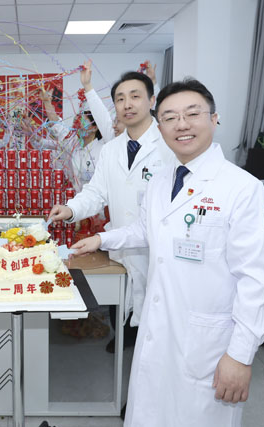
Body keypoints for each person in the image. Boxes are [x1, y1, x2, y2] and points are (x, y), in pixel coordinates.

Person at [72, 78, 264, 426]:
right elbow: (146, 229)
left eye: (192, 114)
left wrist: (241, 355)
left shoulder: (241, 188)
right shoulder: (162, 180)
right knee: (150, 412)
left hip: (207, 341)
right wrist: (101, 240)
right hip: (159, 326)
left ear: (214, 119)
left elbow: (256, 280)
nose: (181, 125)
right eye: (170, 117)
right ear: (160, 125)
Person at [47, 69, 173, 353]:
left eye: (135, 96)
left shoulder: (169, 146)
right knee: (127, 311)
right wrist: (70, 209)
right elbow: (96, 192)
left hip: (159, 252)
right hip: (122, 248)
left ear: (152, 100)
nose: (127, 104)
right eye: (120, 98)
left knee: (161, 328)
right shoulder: (112, 149)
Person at [40, 88, 106, 191]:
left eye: (83, 121)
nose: (78, 125)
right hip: (76, 198)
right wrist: (46, 102)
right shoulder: (73, 143)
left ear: (94, 128)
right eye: (77, 121)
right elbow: (56, 125)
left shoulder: (103, 150)